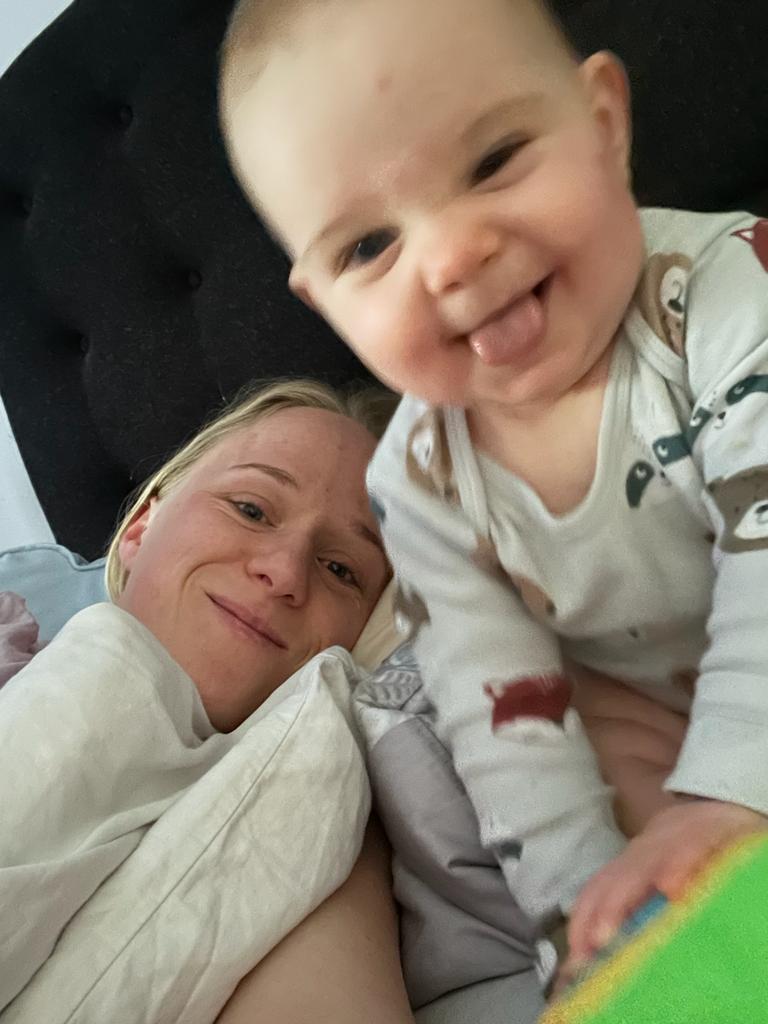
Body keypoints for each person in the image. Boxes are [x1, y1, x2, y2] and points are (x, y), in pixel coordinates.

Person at [218, 0, 768, 985]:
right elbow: (504, 722)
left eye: (493, 161)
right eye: (369, 247)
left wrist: (732, 791)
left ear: (603, 125)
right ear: (326, 302)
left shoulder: (726, 292)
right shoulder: (418, 481)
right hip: (654, 705)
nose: (451, 256)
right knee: (578, 746)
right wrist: (584, 926)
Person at [0, 378, 417, 1023]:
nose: (285, 570)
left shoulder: (316, 804)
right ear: (142, 527)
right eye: (251, 509)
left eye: (341, 570)